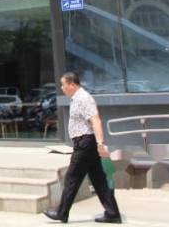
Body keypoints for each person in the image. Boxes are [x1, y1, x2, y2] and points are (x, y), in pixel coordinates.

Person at [44, 72, 122, 224]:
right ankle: (113, 213)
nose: (62, 88)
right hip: (86, 144)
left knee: (71, 178)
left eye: (63, 85)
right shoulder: (77, 98)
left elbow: (96, 120)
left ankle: (61, 212)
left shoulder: (84, 98)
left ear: (72, 84)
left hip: (85, 144)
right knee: (99, 180)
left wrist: (100, 143)